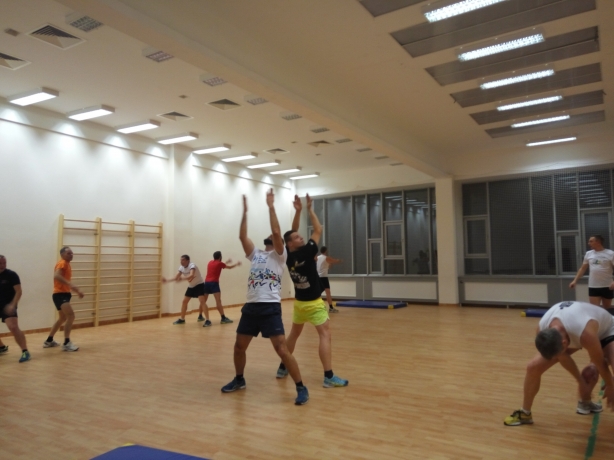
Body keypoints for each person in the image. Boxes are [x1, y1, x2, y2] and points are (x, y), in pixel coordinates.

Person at [221, 190, 309, 405]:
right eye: (270, 235)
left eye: (274, 235)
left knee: (282, 350)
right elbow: (242, 237)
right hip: (251, 307)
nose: (272, 234)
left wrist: (271, 207)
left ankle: (301, 387)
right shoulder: (256, 254)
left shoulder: (280, 255)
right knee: (239, 347)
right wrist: (245, 212)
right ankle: (239, 379)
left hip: (270, 307)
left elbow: (277, 231)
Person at [277, 194, 348, 388]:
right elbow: (318, 229)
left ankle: (283, 366)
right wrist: (309, 209)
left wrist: (297, 211)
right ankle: (328, 376)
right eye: (298, 237)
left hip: (299, 303)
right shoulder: (307, 251)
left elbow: (291, 233)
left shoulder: (287, 255)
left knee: (294, 334)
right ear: (291, 243)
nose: (301, 237)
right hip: (314, 303)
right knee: (325, 335)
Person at [503, 301, 614, 426]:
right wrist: (580, 380)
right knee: (533, 367)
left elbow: (599, 362)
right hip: (575, 331)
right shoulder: (542, 330)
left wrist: (610, 384)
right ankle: (525, 413)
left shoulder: (585, 333)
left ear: (564, 343)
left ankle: (587, 399)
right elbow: (563, 357)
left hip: (607, 330)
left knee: (595, 369)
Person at [44, 246, 84, 351]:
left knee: (62, 318)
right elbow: (56, 276)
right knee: (71, 316)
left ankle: (49, 340)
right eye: (68, 253)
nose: (71, 255)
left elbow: (66, 283)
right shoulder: (62, 263)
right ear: (62, 255)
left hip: (64, 294)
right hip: (60, 295)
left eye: (72, 253)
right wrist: (70, 284)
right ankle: (66, 343)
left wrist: (77, 291)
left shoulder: (67, 264)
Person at [162, 255, 212, 326]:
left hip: (199, 284)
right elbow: (176, 277)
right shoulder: (181, 267)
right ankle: (182, 319)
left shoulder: (192, 265)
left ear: (188, 261)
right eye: (180, 260)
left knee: (202, 301)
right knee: (184, 301)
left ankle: (208, 320)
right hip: (191, 285)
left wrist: (182, 279)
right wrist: (167, 280)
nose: (181, 261)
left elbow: (191, 275)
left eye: (183, 260)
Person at [569, 235, 614, 309]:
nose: (589, 243)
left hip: (607, 286)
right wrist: (575, 281)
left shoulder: (611, 253)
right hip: (593, 286)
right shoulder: (588, 254)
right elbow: (582, 269)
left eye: (591, 241)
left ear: (598, 242)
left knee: (606, 309)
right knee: (594, 309)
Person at [0, 255, 30, 363]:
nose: (3, 265)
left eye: (4, 263)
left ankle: (25, 351)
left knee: (13, 327)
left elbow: (19, 291)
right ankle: (1, 347)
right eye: (0, 263)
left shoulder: (11, 275)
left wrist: (13, 305)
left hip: (8, 305)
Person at [202, 251, 240, 325]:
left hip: (206, 283)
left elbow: (219, 265)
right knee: (218, 301)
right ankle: (223, 318)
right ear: (220, 257)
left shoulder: (210, 262)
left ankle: (200, 315)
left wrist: (227, 261)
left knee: (203, 301)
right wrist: (237, 264)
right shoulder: (220, 264)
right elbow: (229, 267)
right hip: (214, 283)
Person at [316, 246, 342, 313]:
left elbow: (329, 266)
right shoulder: (326, 258)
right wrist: (340, 260)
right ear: (326, 251)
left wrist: (330, 263)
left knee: (320, 292)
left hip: (318, 277)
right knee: (326, 292)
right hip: (323, 277)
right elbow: (336, 261)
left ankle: (329, 307)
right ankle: (329, 308)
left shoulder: (318, 257)